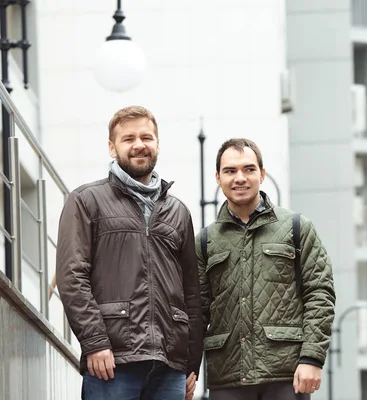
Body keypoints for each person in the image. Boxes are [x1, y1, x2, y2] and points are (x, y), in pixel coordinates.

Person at [56, 106, 202, 400]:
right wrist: (95, 342)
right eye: (128, 138)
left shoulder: (178, 212)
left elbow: (192, 294)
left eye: (146, 137)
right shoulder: (86, 201)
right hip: (112, 361)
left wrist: (191, 363)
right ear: (112, 147)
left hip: (169, 367)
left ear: (157, 144)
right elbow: (72, 276)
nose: (139, 145)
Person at [196, 138, 336, 400]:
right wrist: (188, 371)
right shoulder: (205, 241)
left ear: (262, 174)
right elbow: (197, 312)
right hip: (227, 378)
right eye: (230, 171)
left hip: (285, 374)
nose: (240, 178)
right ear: (218, 177)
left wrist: (312, 358)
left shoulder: (297, 228)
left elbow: (320, 294)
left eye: (248, 169)